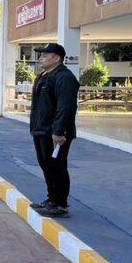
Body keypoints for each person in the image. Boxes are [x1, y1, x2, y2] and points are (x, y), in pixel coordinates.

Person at [28, 43, 79, 218]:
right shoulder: (45, 76)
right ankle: (52, 199)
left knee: (57, 166)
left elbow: (66, 107)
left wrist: (58, 131)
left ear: (56, 58)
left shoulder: (64, 77)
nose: (40, 58)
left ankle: (60, 204)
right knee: (46, 165)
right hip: (41, 130)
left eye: (44, 55)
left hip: (55, 133)